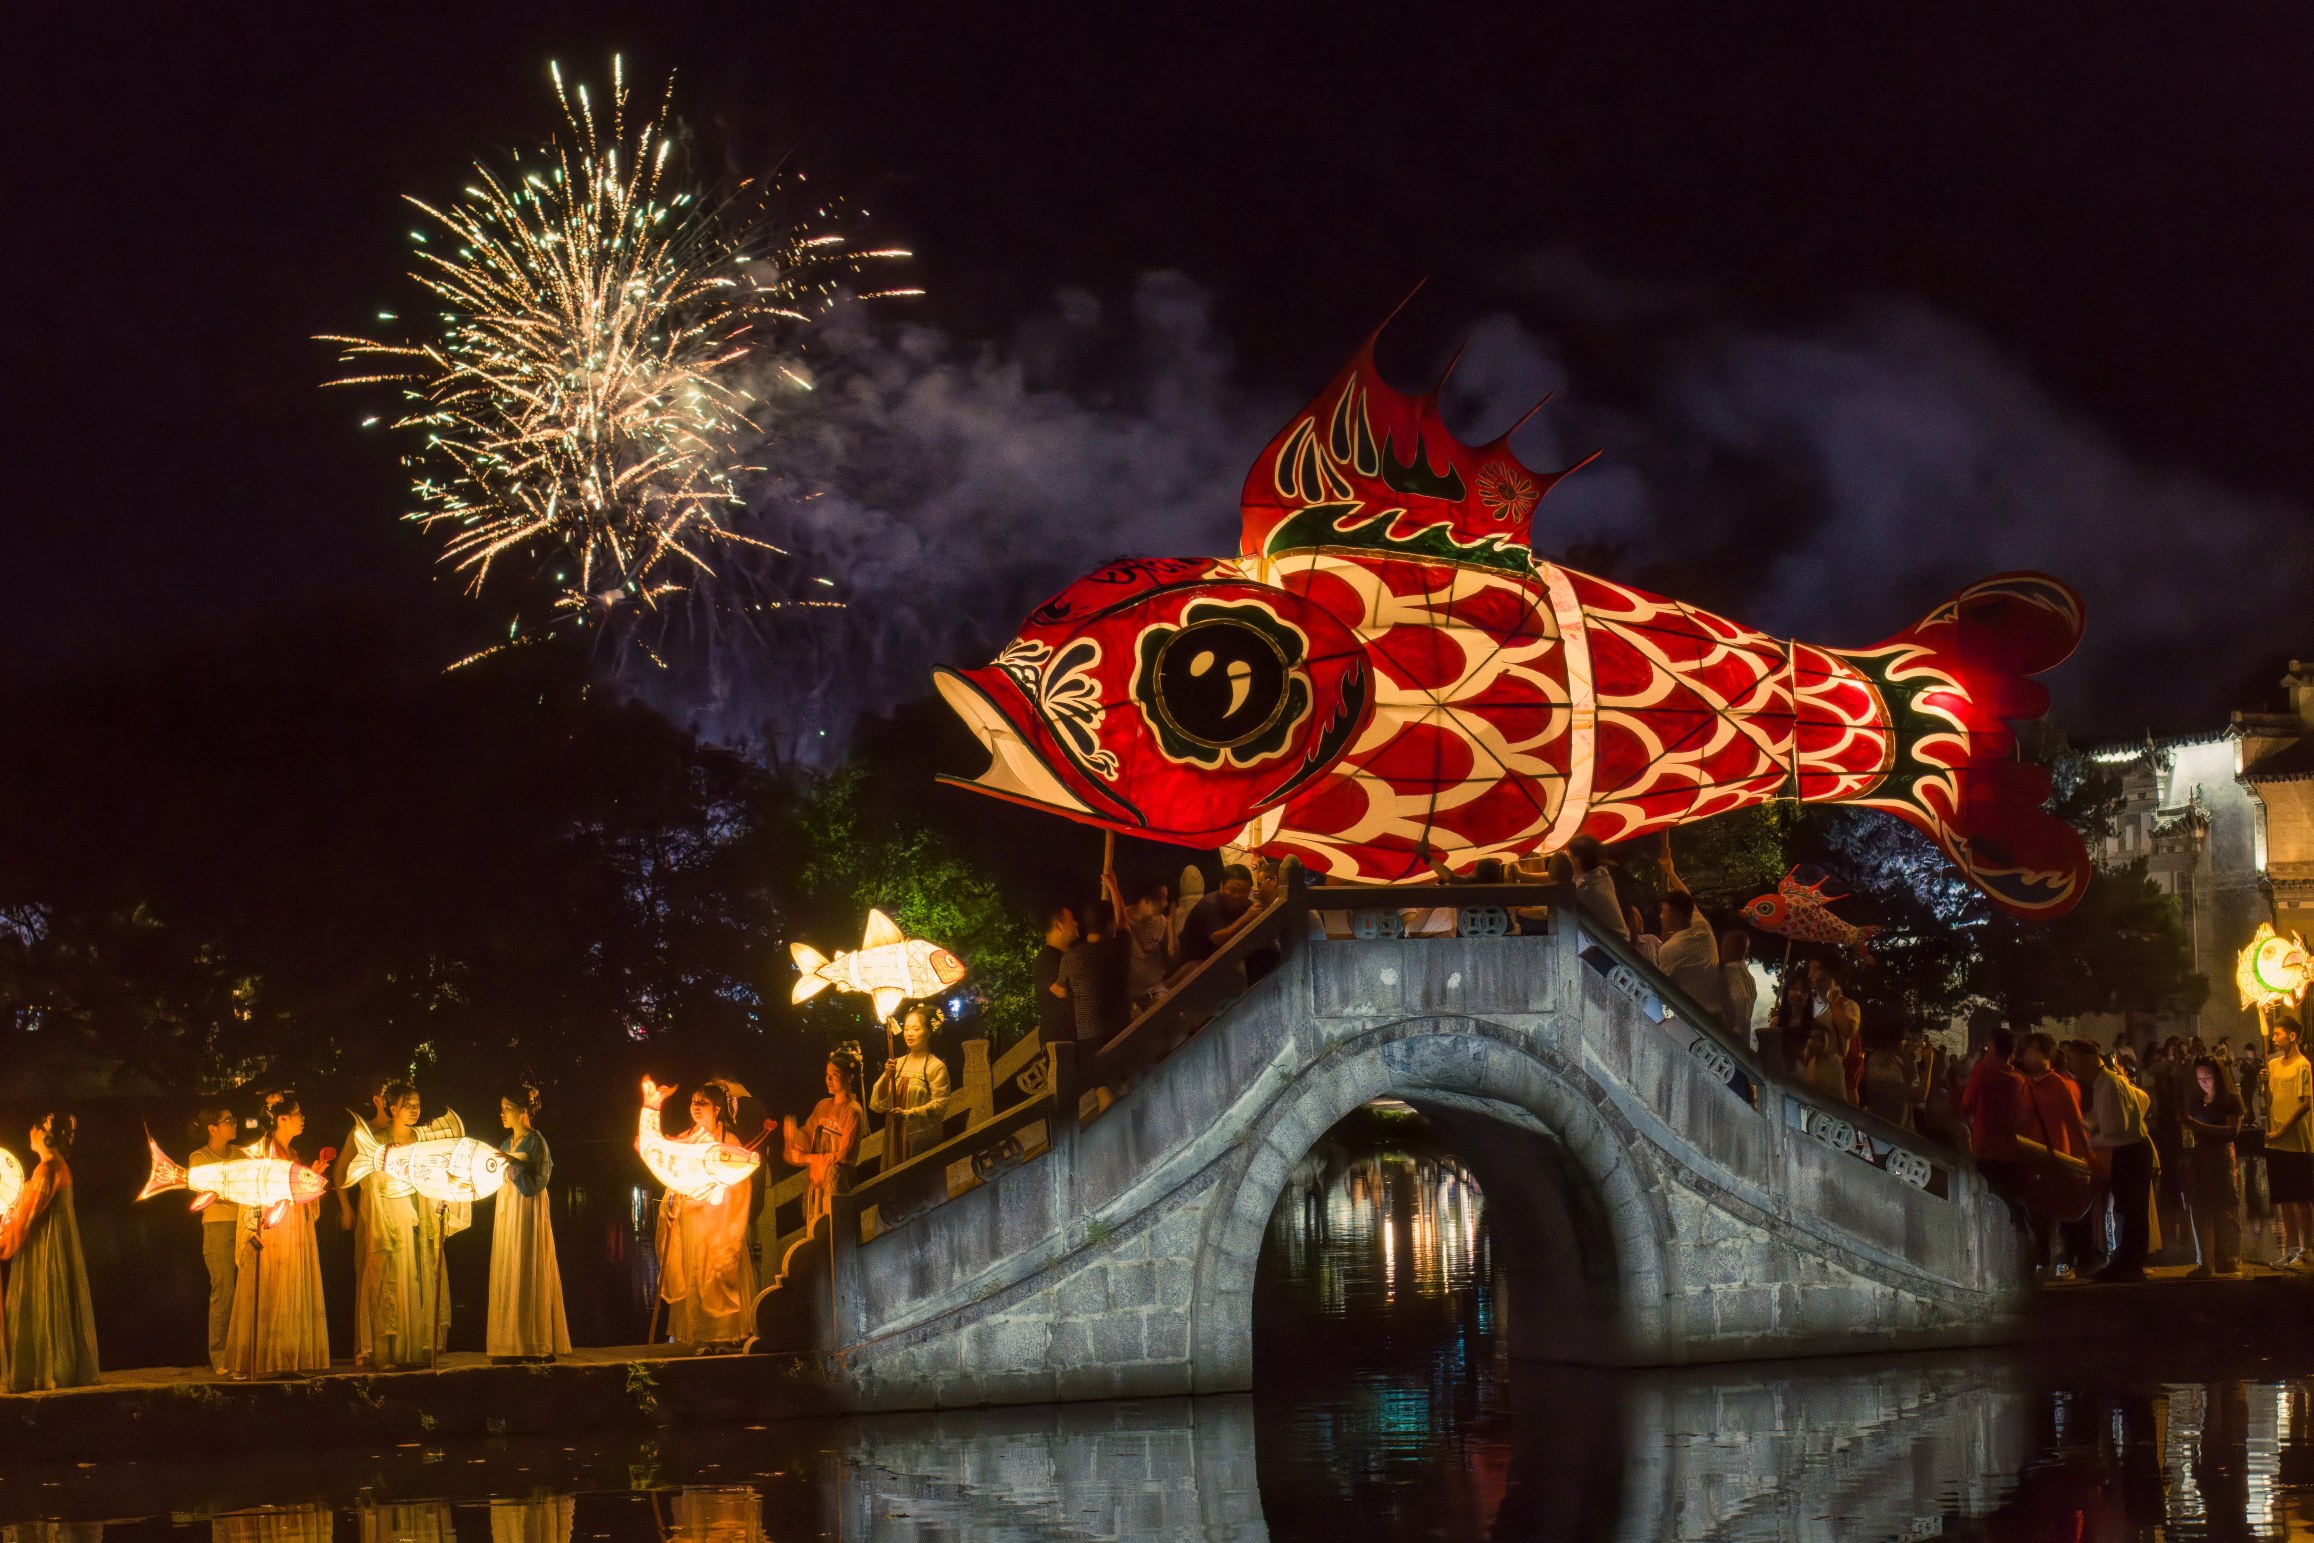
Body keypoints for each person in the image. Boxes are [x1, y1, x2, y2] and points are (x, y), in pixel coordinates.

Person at [356, 1080, 462, 1369]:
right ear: (393, 1109)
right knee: (391, 1282)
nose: (415, 1110)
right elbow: (370, 1183)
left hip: (420, 1213)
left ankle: (416, 1348)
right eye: (408, 1105)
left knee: (418, 1278)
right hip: (391, 1216)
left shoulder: (423, 1139)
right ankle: (387, 1351)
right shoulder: (378, 1140)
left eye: (418, 1105)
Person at [222, 1092, 329, 1377]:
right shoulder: (262, 1152)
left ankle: (286, 1357)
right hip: (273, 1229)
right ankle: (262, 1359)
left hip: (293, 1230)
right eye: (297, 1113)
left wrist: (311, 1178)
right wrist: (250, 1228)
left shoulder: (293, 1154)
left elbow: (296, 1193)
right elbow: (251, 1193)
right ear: (281, 1119)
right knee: (271, 1286)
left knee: (289, 1286)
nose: (302, 1118)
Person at [657, 1077, 762, 1352]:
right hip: (694, 1220)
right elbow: (674, 1177)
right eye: (693, 1102)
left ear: (717, 1108)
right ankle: (702, 1337)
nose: (695, 1106)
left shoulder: (729, 1141)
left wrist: (721, 1195)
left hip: (721, 1222)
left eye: (702, 1102)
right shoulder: (685, 1139)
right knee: (697, 1279)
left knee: (718, 1278)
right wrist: (671, 1202)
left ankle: (725, 1336)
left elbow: (741, 1185)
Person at [1, 1113, 99, 1391]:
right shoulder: (54, 1167)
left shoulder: (48, 1169)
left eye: (38, 1126)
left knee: (44, 1301)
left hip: (45, 1248)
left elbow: (28, 1215)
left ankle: (47, 1370)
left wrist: (5, 1239)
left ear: (47, 1135)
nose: (31, 1130)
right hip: (47, 1244)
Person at [487, 1084, 570, 1363]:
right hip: (507, 1209)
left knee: (527, 1265)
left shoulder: (536, 1142)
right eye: (502, 1109)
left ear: (523, 1111)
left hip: (528, 1209)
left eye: (507, 1109)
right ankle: (508, 1344)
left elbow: (538, 1182)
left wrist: (512, 1167)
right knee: (508, 1265)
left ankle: (534, 1342)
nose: (502, 1114)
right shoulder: (506, 1143)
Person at [2067, 1040, 2155, 1283]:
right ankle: (2128, 1263)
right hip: (2129, 1150)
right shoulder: (2104, 1082)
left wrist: (2089, 1141)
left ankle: (2131, 1265)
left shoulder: (2109, 1083)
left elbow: (2116, 1128)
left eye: (2072, 1059)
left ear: (2088, 1059)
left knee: (2132, 1211)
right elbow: (2109, 1114)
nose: (2070, 1065)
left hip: (2130, 1151)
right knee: (2127, 1209)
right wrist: (2085, 1124)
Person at [2018, 1032, 2095, 1274]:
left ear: (2046, 1055)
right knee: (2035, 1213)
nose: (2026, 1054)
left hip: (2056, 1159)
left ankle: (2066, 1260)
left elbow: (2075, 1123)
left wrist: (2086, 1158)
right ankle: (2043, 1261)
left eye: (2032, 1049)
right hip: (2031, 1158)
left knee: (2059, 1212)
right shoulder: (2025, 1084)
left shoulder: (2059, 1085)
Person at [335, 1072, 395, 1365]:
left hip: (398, 1209)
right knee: (372, 1275)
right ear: (376, 1100)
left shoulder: (404, 1131)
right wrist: (346, 1207)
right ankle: (369, 1346)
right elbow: (340, 1170)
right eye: (386, 1095)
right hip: (372, 1209)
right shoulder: (363, 1131)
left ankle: (397, 1343)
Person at [782, 1049, 865, 1234]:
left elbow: (844, 1155)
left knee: (837, 1230)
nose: (828, 1079)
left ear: (850, 1077)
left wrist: (809, 1158)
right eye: (827, 1074)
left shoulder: (853, 1111)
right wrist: (793, 1134)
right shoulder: (823, 1106)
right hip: (816, 1181)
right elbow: (808, 1134)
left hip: (837, 1182)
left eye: (834, 1074)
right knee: (817, 1231)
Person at [187, 1103, 242, 1374]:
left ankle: (244, 1351)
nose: (234, 1123)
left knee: (247, 1290)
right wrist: (232, 1191)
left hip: (245, 1225)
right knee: (224, 1290)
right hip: (218, 1227)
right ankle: (220, 1356)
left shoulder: (242, 1154)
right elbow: (208, 1192)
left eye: (233, 1119)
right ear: (213, 1128)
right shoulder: (199, 1158)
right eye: (228, 1120)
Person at [2183, 1055, 2245, 1277]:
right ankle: (2206, 1261)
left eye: (2208, 1077)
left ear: (2218, 1076)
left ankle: (2228, 1258)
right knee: (2201, 1208)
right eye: (2200, 1078)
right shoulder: (2197, 1100)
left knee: (2224, 1208)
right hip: (2200, 1157)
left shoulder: (2231, 1099)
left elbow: (2232, 1131)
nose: (2204, 1083)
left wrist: (2198, 1125)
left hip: (2221, 1157)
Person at [870, 1005, 953, 1164]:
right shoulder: (897, 1064)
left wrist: (910, 1114)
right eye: (907, 1028)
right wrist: (887, 1076)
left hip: (921, 1138)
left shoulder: (935, 1066)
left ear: (929, 1031)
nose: (909, 1033)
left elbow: (940, 1104)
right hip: (895, 1135)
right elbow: (879, 1104)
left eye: (916, 1029)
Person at [2264, 1018, 2314, 1267]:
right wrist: (2265, 1083)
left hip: (2298, 1143)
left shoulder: (2303, 1065)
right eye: (2273, 1034)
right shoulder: (2273, 1064)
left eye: (2278, 1034)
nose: (2274, 1038)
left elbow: (2305, 1104)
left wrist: (2283, 1130)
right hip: (2276, 1143)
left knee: (2301, 1199)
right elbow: (2271, 1099)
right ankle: (2290, 1249)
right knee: (2283, 1198)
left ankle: (2308, 1249)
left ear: (2292, 1036)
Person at [1962, 1028, 2033, 1199]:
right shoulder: (2020, 1079)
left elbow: (1966, 1106)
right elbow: (2025, 1117)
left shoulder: (1983, 1070)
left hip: (1985, 1149)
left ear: (1992, 1047)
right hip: (2011, 1153)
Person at [1061, 895, 1133, 1045]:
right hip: (1122, 1032)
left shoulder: (1070, 957)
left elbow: (1066, 992)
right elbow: (1123, 922)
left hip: (1089, 1041)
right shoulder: (1118, 948)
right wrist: (1113, 886)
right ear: (1109, 925)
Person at [1656, 890, 1723, 1013]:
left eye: (1664, 911)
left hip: (1693, 1016)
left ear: (1677, 913)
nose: (1660, 916)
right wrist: (1672, 877)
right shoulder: (1704, 930)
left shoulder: (1671, 948)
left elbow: (1659, 989)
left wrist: (1665, 927)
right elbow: (1691, 904)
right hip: (1717, 1013)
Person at [1808, 957, 1864, 1103]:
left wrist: (1832, 1002)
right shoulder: (1808, 1002)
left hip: (1831, 1070)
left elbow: (1849, 1030)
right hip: (1808, 1069)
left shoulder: (1847, 1005)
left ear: (1829, 973)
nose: (1810, 974)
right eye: (1810, 969)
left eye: (1817, 969)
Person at [1179, 864, 1256, 966]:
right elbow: (1218, 939)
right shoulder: (1209, 904)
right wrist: (1246, 918)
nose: (1237, 895)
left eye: (1243, 891)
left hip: (1223, 957)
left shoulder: (1246, 904)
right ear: (1221, 886)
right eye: (1232, 890)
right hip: (1197, 963)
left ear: (1250, 890)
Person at [1122, 878, 1177, 1007]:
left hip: (1156, 987)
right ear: (1147, 901)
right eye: (1162, 899)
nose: (1166, 904)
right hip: (1131, 993)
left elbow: (1172, 955)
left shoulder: (1161, 922)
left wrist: (1172, 926)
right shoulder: (1123, 921)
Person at [1033, 905, 1079, 1044]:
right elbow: (1061, 989)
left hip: (1073, 1041)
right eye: (1072, 920)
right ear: (1060, 925)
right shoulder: (1047, 957)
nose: (1076, 923)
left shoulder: (1065, 956)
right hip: (1063, 1044)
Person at [1566, 835, 1626, 940]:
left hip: (1613, 946)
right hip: (1619, 942)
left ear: (1576, 860)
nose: (1566, 856)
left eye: (1568, 853)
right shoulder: (1601, 874)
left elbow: (1555, 910)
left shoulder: (1585, 890)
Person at [1720, 930, 1760, 1050]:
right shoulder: (1747, 974)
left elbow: (1741, 998)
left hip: (1731, 1039)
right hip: (1743, 1038)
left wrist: (1736, 1030)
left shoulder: (1731, 971)